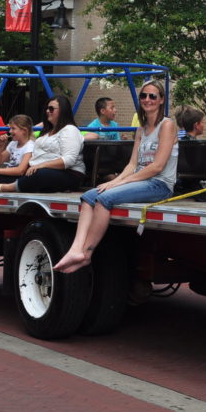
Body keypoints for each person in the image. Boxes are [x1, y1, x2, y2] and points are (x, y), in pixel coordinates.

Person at [54, 80, 178, 274]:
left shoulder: (167, 125)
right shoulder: (142, 128)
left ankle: (87, 254)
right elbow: (132, 164)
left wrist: (123, 182)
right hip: (140, 180)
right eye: (144, 96)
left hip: (159, 184)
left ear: (161, 100)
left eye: (153, 96)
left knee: (105, 198)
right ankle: (75, 249)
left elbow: (157, 166)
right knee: (89, 197)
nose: (147, 100)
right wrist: (114, 181)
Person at [0, 95, 85, 194]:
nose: (47, 111)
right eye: (47, 108)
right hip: (44, 171)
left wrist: (40, 165)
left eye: (51, 108)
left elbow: (69, 160)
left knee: (37, 174)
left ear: (63, 110)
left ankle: (4, 188)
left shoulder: (70, 130)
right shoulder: (47, 131)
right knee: (6, 173)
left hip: (69, 173)